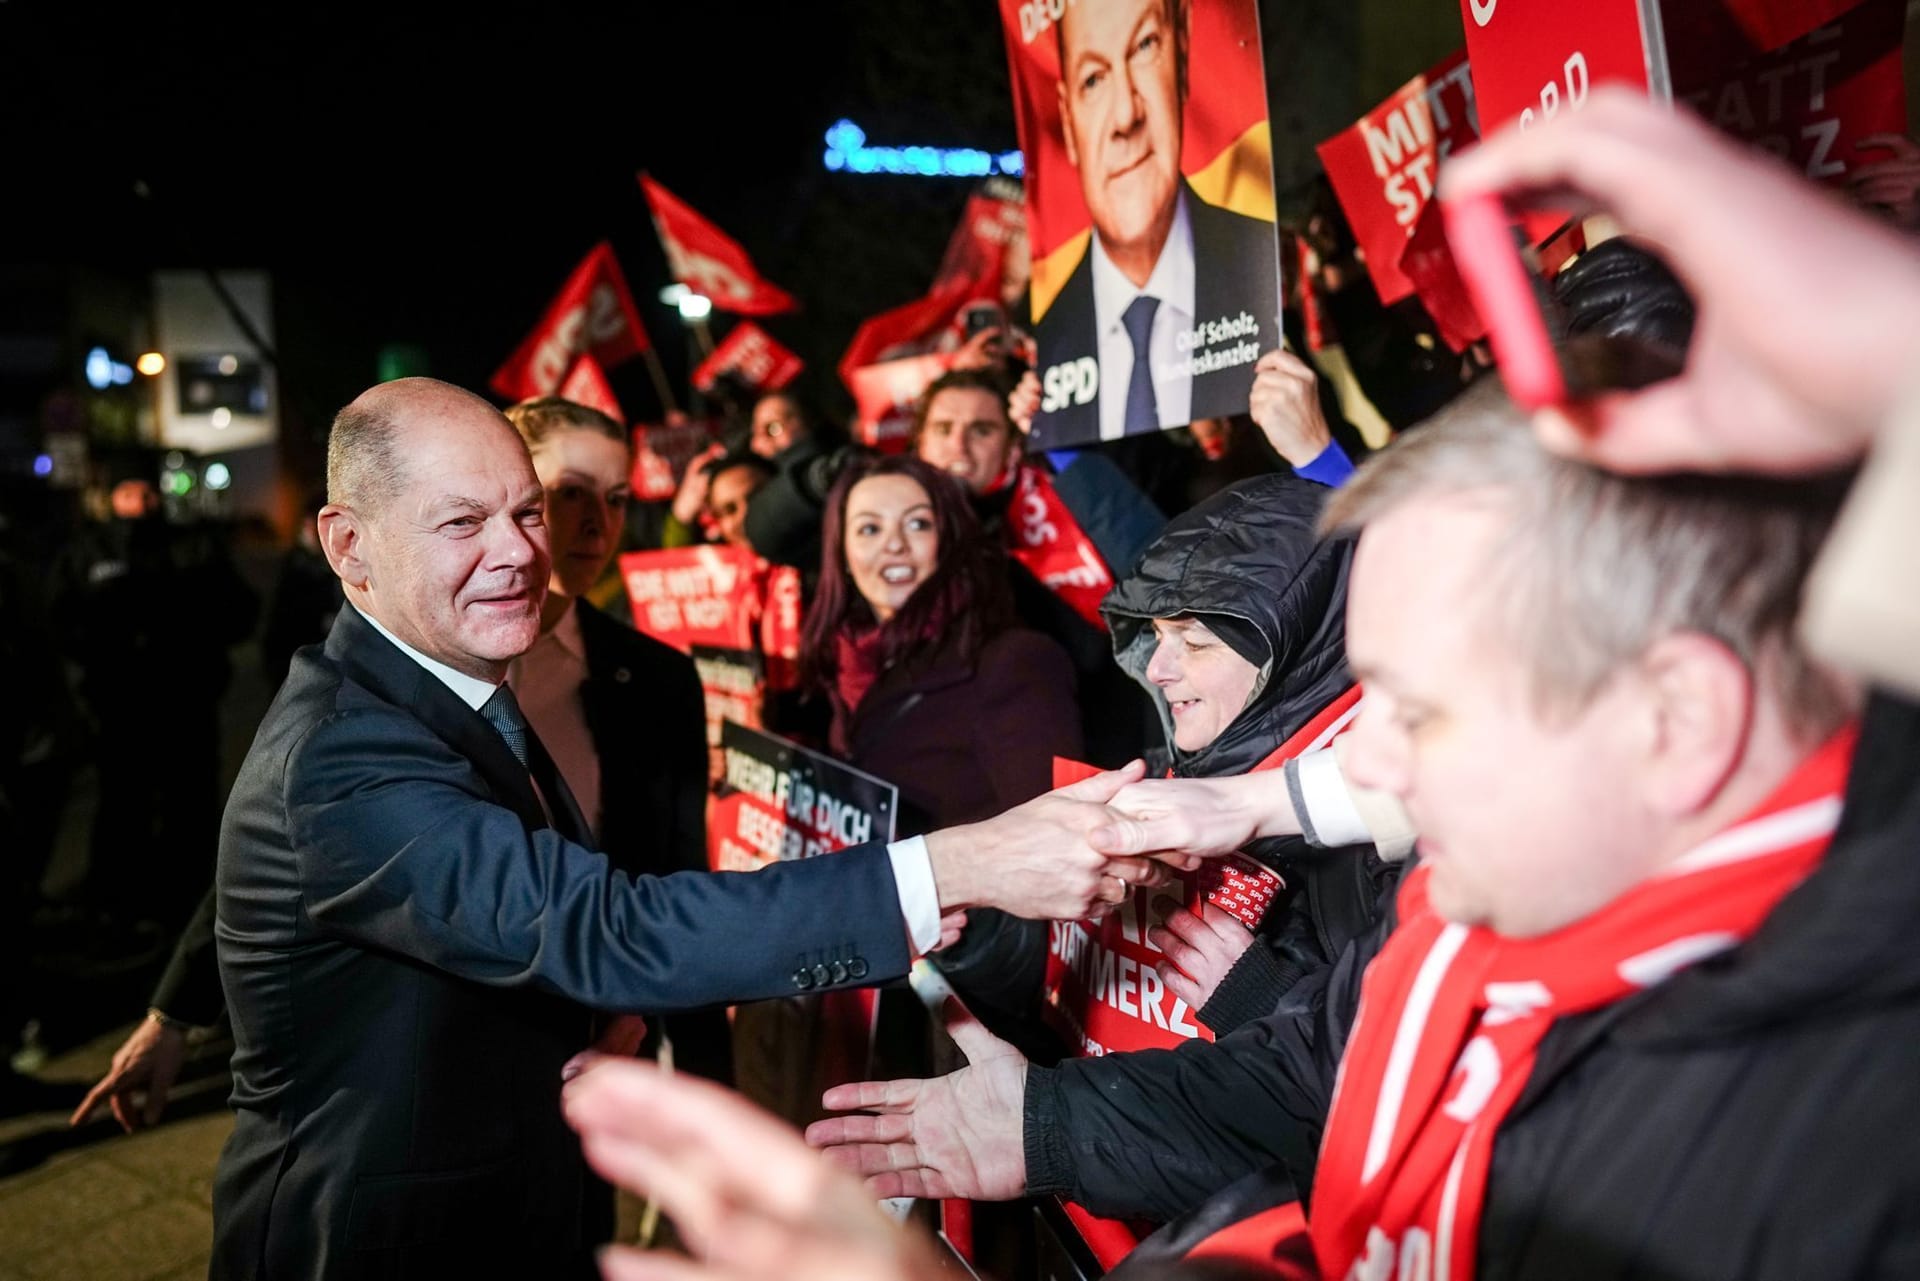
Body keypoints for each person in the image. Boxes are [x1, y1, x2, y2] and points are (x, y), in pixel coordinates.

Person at [561, 87, 1920, 1281]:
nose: (1357, 772)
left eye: (1423, 711)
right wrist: (1042, 1130)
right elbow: (1307, 1099)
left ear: (1672, 722)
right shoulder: (1468, 901)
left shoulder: (1831, 1168)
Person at [205, 376, 1175, 1281]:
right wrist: (964, 862)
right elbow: (605, 928)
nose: (518, 552)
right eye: (462, 523)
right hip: (384, 1238)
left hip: (532, 1190)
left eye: (526, 512)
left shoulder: (459, 690)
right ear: (347, 545)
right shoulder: (343, 751)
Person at [1096, 473, 1384, 1040]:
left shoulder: (1397, 842)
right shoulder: (1162, 782)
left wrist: (1264, 999)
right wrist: (991, 925)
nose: (1157, 669)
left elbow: (1415, 1080)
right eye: (1156, 635)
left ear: (1294, 656)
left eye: (1195, 642)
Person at [800, 454, 1080, 1022]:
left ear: (950, 538)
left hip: (968, 998)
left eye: (918, 523)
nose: (893, 545)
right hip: (875, 986)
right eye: (870, 528)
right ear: (841, 554)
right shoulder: (844, 667)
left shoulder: (1011, 661)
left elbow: (1054, 848)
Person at [1031, 0, 1281, 446]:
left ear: (1182, 57)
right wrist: (1046, 437)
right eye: (1093, 79)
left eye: (1145, 46)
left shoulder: (1265, 277)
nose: (1126, 116)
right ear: (1068, 123)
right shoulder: (1055, 353)